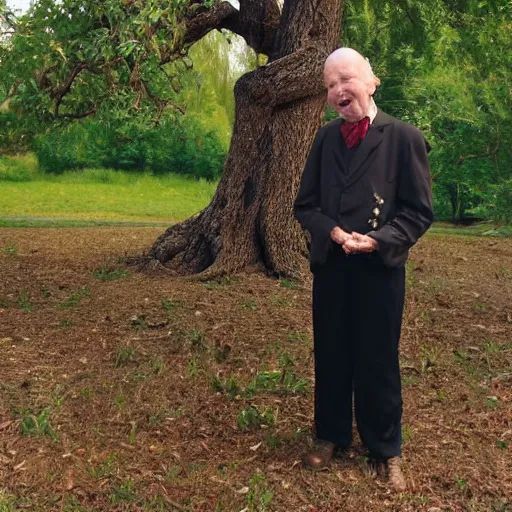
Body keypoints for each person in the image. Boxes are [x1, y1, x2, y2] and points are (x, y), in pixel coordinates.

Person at [293, 47, 433, 492]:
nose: (338, 90)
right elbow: (305, 206)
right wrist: (333, 232)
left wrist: (377, 239)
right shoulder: (324, 139)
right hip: (332, 266)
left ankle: (385, 449)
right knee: (332, 352)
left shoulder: (404, 138)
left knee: (377, 358)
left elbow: (417, 212)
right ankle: (331, 434)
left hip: (380, 270)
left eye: (346, 79)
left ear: (371, 82)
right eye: (330, 85)